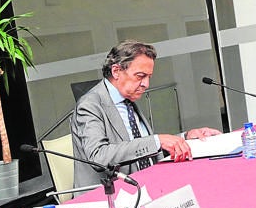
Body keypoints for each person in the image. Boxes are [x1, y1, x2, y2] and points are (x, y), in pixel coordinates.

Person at [70, 41, 221, 187]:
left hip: (147, 184)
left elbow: (142, 147)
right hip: (109, 196)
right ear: (116, 71)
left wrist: (184, 138)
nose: (146, 84)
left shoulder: (126, 99)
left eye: (149, 77)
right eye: (140, 76)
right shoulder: (90, 105)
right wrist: (157, 141)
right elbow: (99, 157)